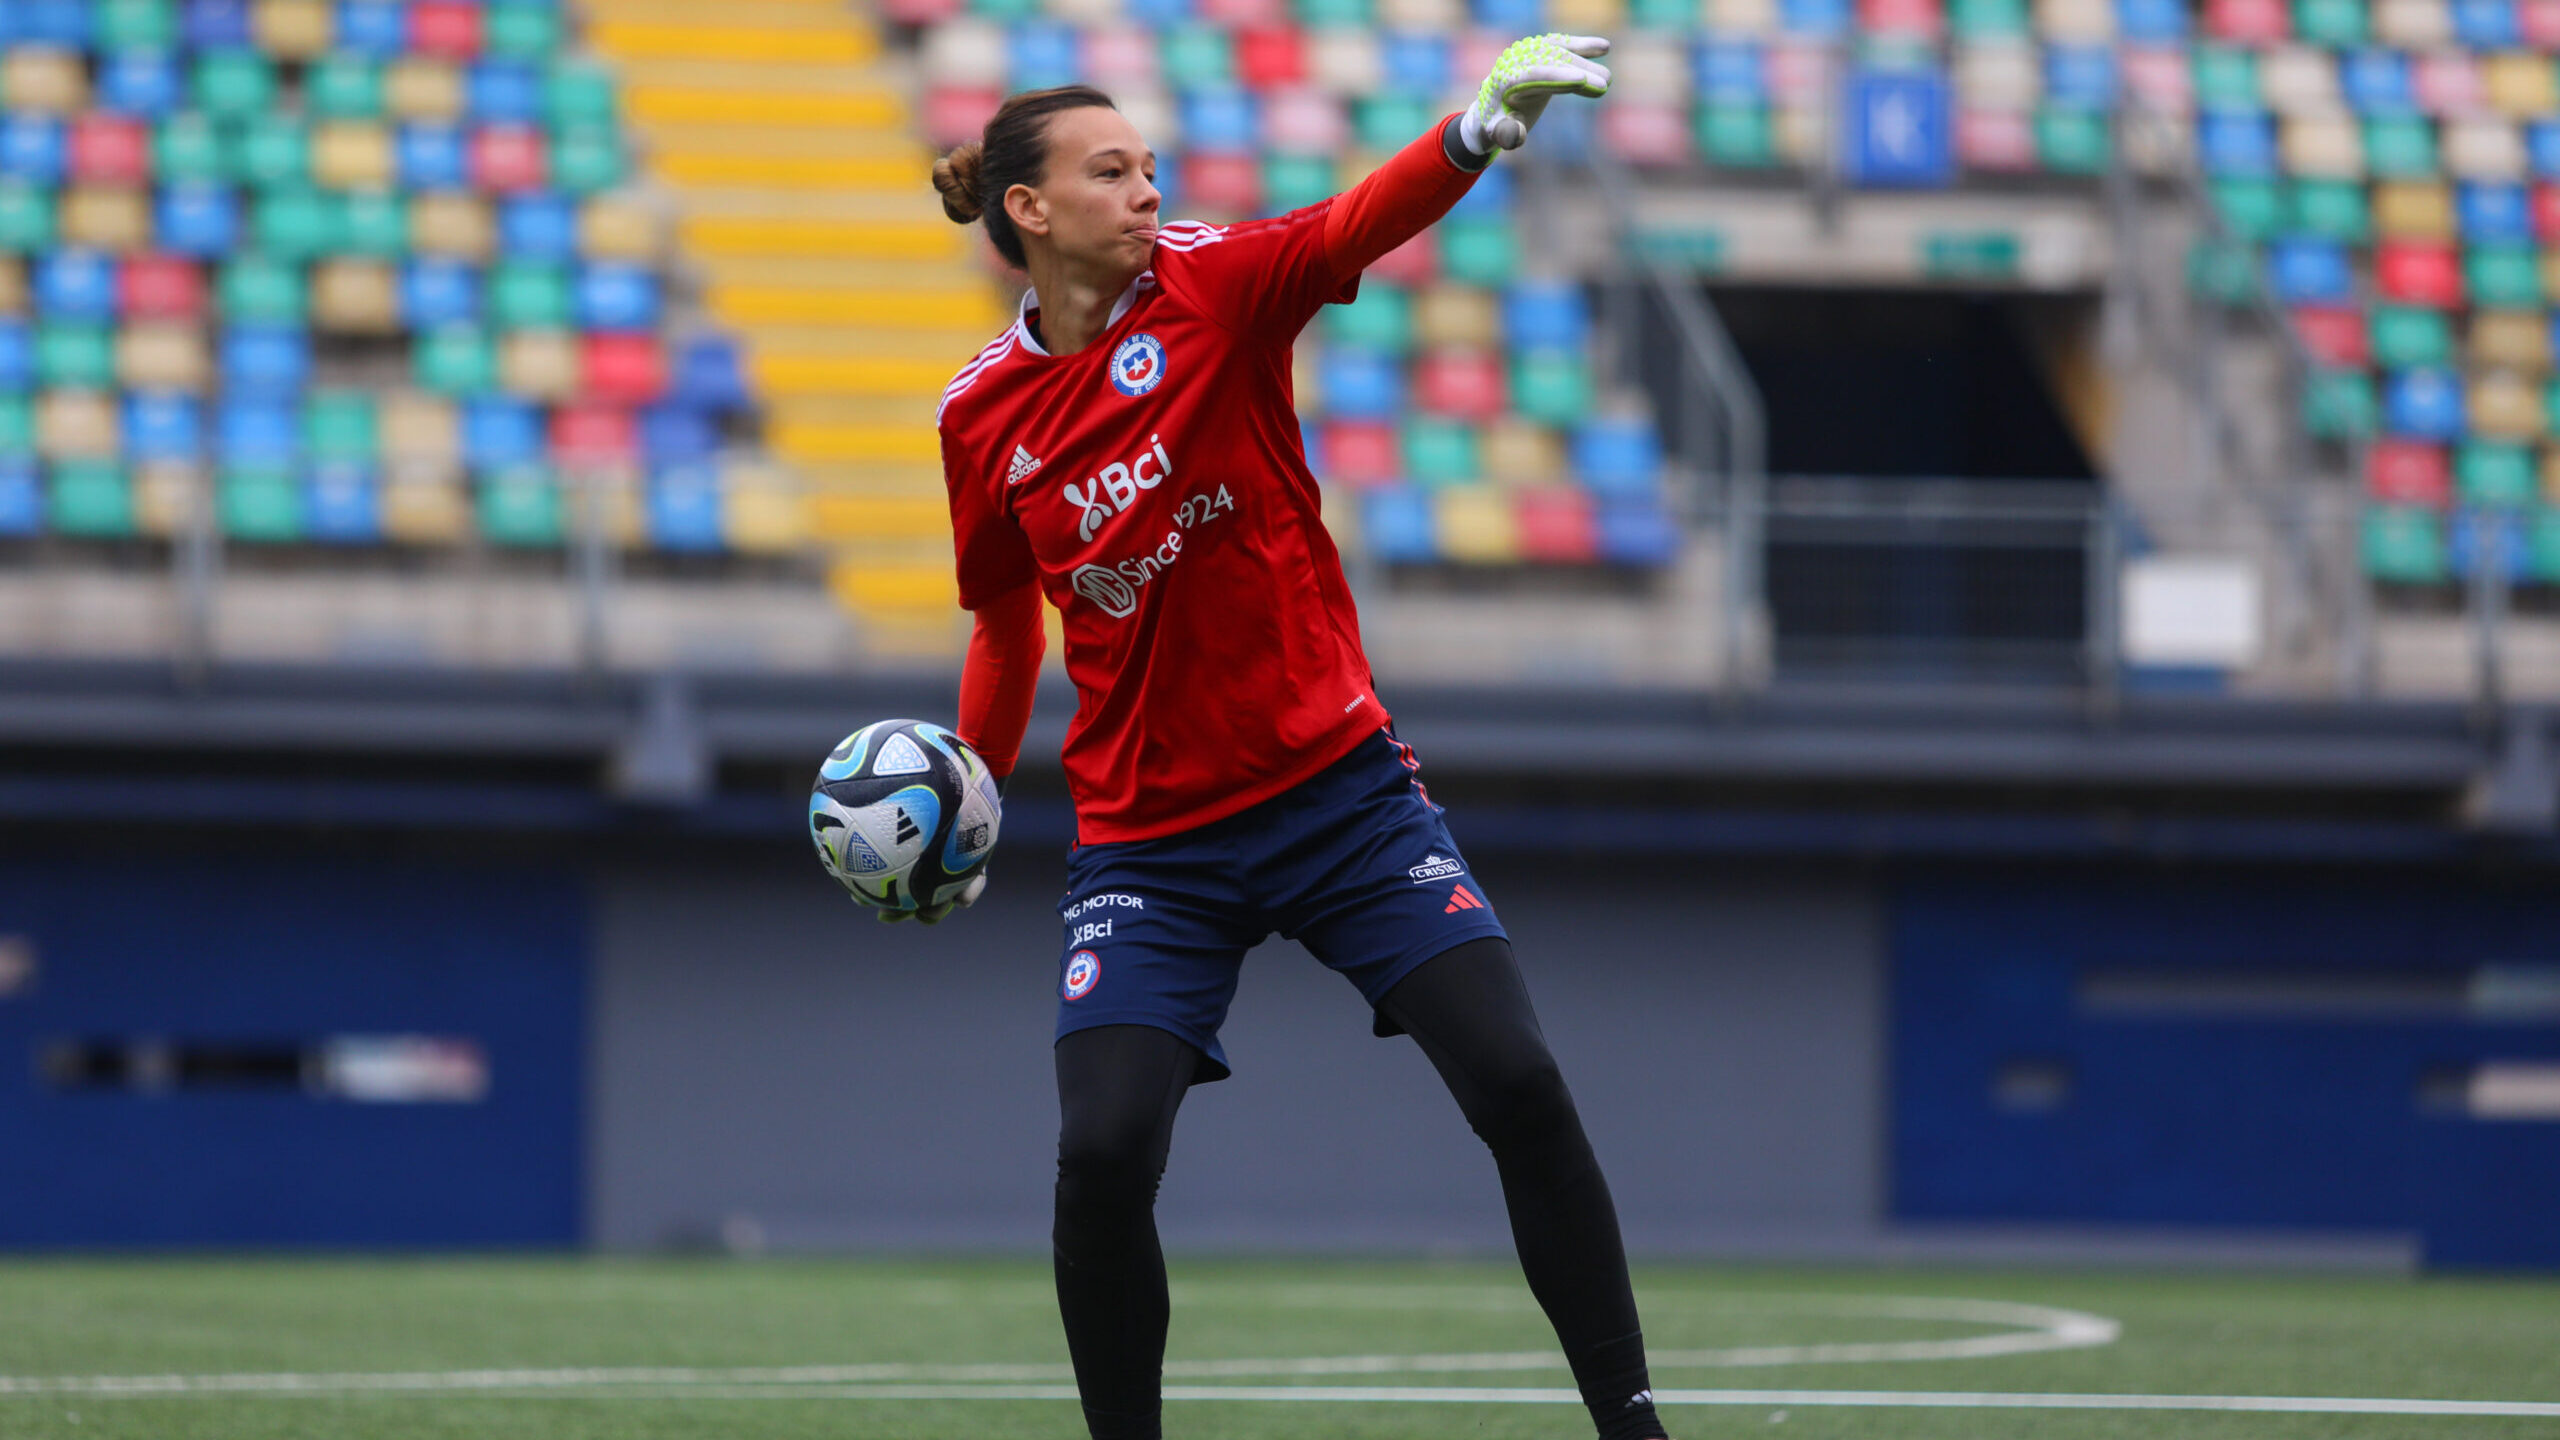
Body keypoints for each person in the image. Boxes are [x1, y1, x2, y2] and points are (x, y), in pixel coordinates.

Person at [918, 38, 1670, 1440]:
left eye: (1149, 167)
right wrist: (968, 784)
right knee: (1103, 1153)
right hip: (1152, 841)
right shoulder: (979, 417)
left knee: (1517, 1078)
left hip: (1342, 799)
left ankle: (1632, 1424)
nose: (1148, 191)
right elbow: (1005, 624)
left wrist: (1476, 129)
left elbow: (1345, 225)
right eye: (1111, 172)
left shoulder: (1210, 286)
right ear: (1027, 209)